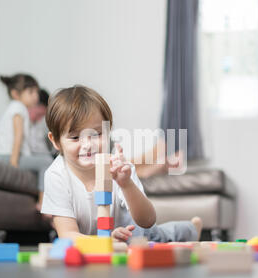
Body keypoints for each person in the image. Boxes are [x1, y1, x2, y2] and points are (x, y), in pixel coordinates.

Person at [40, 85, 202, 243]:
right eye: (75, 137)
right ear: (55, 141)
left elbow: (148, 220)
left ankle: (192, 228)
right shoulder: (56, 175)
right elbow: (68, 234)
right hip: (88, 241)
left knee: (158, 235)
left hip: (130, 234)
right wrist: (105, 242)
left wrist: (126, 184)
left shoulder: (118, 167)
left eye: (96, 134)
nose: (88, 145)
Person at [0, 74, 54, 211]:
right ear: (16, 94)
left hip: (5, 155)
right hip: (7, 156)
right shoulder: (18, 108)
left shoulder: (16, 108)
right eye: (31, 92)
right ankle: (42, 202)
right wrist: (14, 163)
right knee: (46, 162)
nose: (35, 97)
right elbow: (18, 134)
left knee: (43, 161)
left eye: (36, 92)